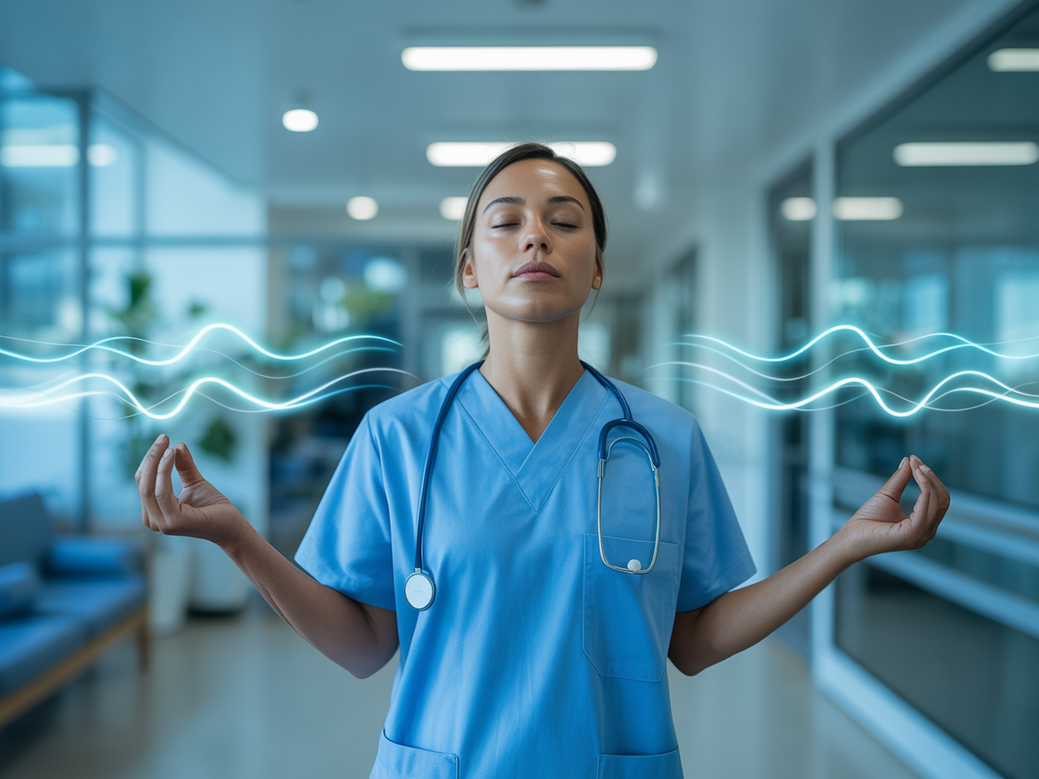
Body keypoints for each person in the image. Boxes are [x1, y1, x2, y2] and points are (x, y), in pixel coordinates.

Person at [136, 142, 950, 778]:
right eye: (506, 220)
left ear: (596, 267)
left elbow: (694, 639)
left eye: (564, 220)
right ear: (469, 268)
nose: (536, 234)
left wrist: (843, 546)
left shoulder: (663, 438)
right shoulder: (396, 436)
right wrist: (240, 538)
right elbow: (362, 646)